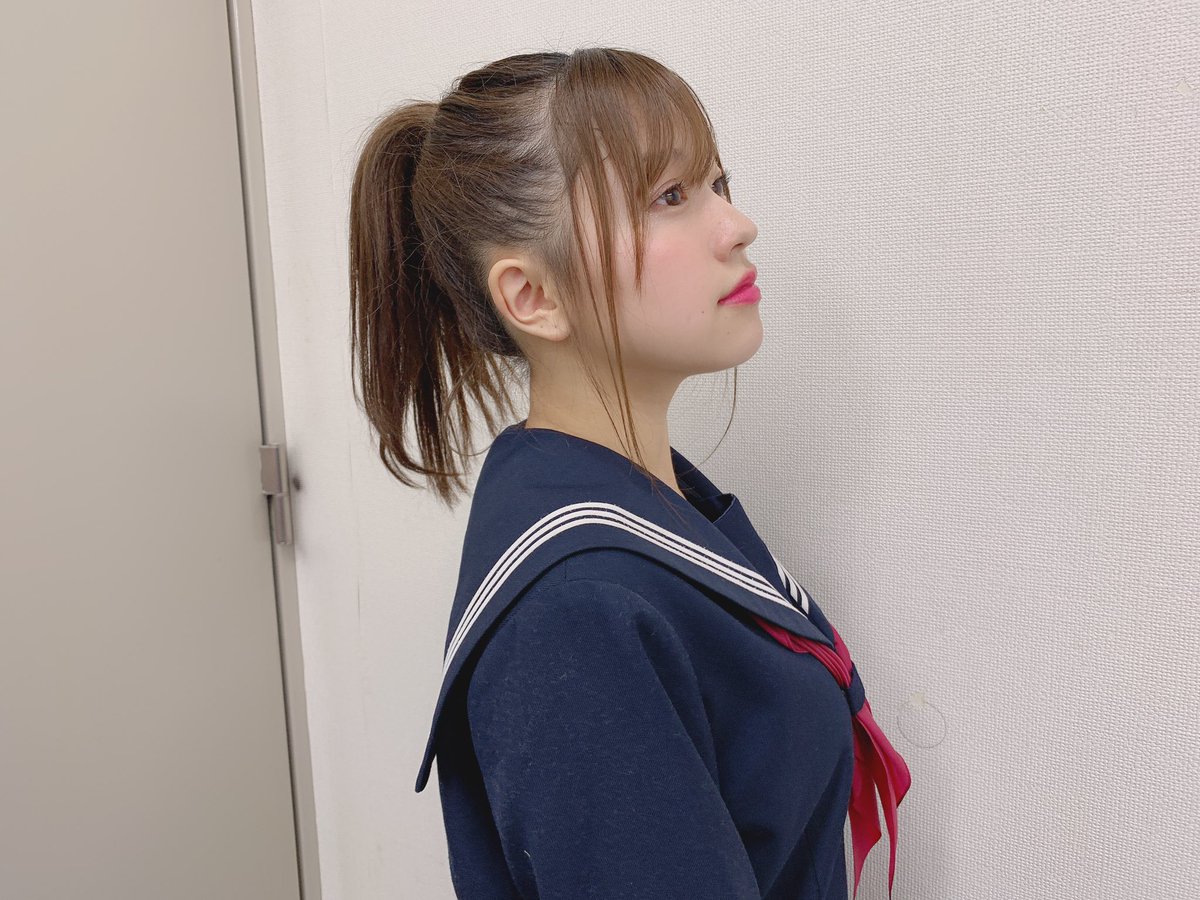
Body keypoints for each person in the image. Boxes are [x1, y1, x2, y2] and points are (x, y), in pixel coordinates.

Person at [348, 46, 912, 899]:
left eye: (717, 183)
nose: (737, 225)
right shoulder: (575, 612)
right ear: (534, 297)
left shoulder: (650, 509)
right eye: (670, 197)